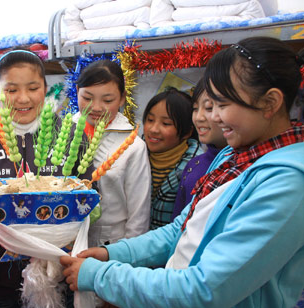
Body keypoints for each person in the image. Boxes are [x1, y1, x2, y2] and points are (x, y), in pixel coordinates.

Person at [60, 36, 304, 308]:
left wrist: (101, 275)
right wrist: (111, 254)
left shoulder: (288, 182)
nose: (212, 117)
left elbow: (206, 289)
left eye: (222, 105)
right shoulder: (234, 155)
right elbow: (182, 229)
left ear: (270, 103)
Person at [0, 50, 94, 308]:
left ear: (45, 89)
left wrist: (71, 212)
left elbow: (90, 196)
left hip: (60, 272)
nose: (23, 98)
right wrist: (1, 218)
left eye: (33, 87)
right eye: (12, 90)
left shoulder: (70, 135)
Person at [74, 59, 151, 248]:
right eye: (87, 98)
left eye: (108, 100)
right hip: (66, 239)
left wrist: (128, 256)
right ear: (77, 91)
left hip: (111, 243)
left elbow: (138, 213)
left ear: (122, 98)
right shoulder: (61, 134)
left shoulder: (133, 146)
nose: (97, 107)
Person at [143, 88, 202, 229]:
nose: (154, 129)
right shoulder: (134, 153)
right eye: (150, 120)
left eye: (166, 124)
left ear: (187, 132)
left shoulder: (196, 167)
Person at [171, 79, 227, 220]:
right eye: (195, 109)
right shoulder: (194, 165)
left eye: (209, 108)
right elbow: (178, 225)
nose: (198, 118)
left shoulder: (242, 165)